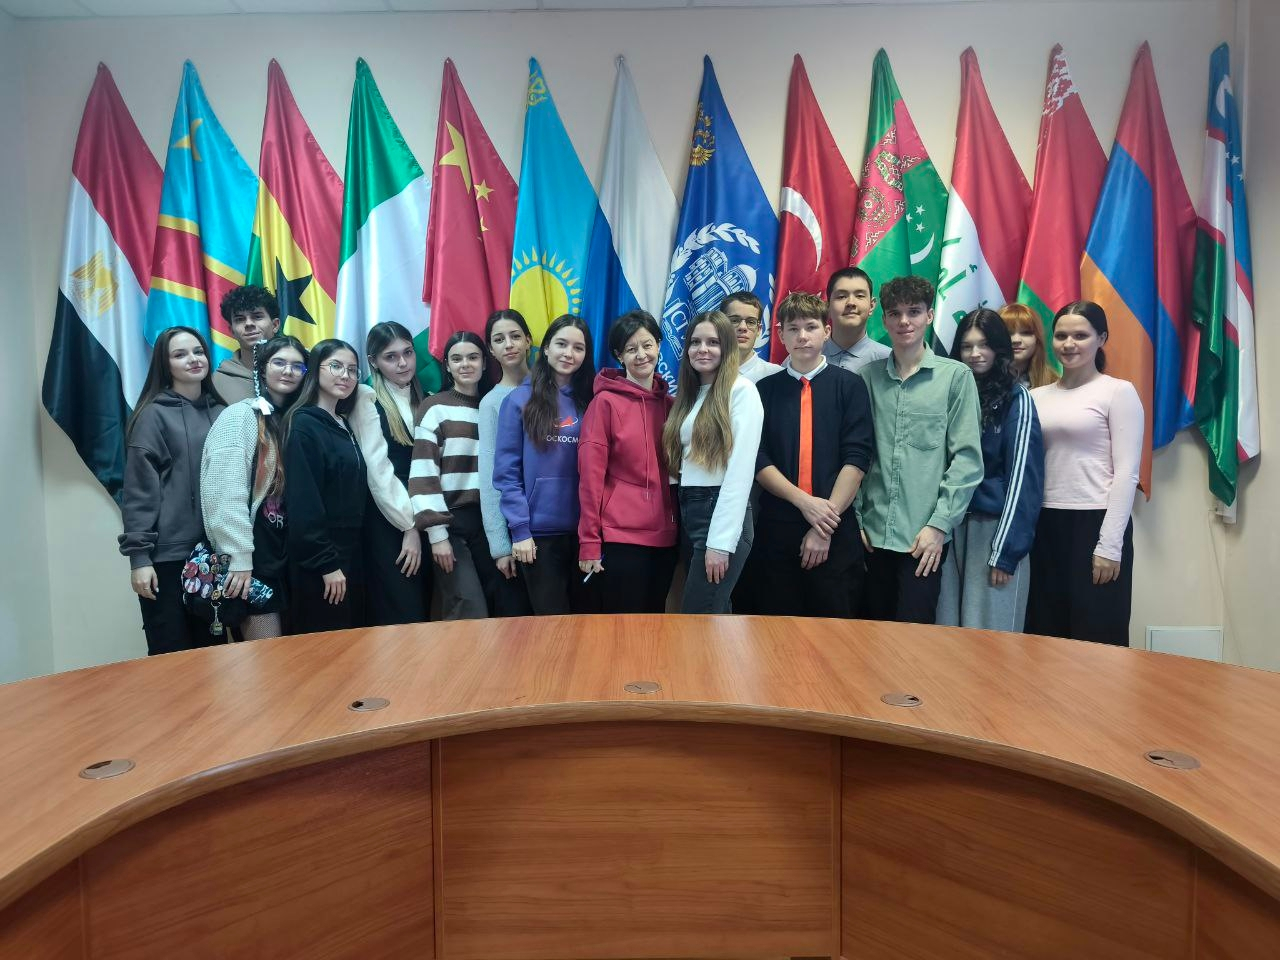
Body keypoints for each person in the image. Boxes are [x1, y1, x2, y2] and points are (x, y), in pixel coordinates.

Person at [857, 275, 983, 624]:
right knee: (868, 636)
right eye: (894, 313)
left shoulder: (956, 377)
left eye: (913, 311)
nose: (904, 321)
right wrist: (856, 519)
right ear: (884, 320)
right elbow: (858, 455)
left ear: (929, 316)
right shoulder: (866, 378)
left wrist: (939, 526)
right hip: (871, 535)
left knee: (914, 640)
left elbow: (967, 461)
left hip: (923, 537)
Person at [742, 293, 873, 618]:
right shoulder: (764, 390)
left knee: (834, 630)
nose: (802, 336)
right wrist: (805, 503)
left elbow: (857, 459)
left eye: (811, 327)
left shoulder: (850, 386)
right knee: (775, 629)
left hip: (835, 526)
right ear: (780, 335)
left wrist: (823, 526)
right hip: (778, 527)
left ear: (826, 331)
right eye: (793, 328)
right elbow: (758, 458)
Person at [1026, 301, 1143, 646]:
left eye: (1080, 335)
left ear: (1101, 338)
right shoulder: (1035, 396)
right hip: (1044, 523)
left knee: (1096, 636)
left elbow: (1127, 473)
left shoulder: (1117, 392)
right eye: (1061, 336)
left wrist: (1110, 545)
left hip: (1095, 522)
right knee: (1044, 634)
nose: (1069, 344)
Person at [119, 326, 226, 655]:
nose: (193, 359)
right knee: (171, 658)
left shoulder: (223, 413)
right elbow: (138, 493)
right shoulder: (152, 415)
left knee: (214, 655)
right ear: (165, 365)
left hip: (213, 555)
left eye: (198, 351)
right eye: (180, 355)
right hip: (166, 558)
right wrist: (139, 559)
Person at [937, 309, 1044, 631]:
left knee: (988, 640)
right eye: (966, 346)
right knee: (944, 637)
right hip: (947, 526)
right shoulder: (948, 393)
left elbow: (1024, 480)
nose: (975, 354)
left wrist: (1006, 552)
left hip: (992, 530)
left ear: (999, 348)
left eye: (983, 345)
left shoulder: (1016, 399)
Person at [411, 332, 525, 620]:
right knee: (468, 607)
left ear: (485, 363)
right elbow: (424, 474)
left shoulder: (494, 404)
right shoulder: (434, 407)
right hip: (451, 522)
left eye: (473, 357)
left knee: (507, 604)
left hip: (491, 522)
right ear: (447, 366)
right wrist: (437, 536)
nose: (465, 364)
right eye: (457, 359)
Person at [201, 335, 307, 642]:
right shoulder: (241, 416)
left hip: (289, 559)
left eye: (297, 366)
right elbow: (224, 492)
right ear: (262, 370)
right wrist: (238, 557)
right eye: (279, 362)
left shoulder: (296, 420)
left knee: (299, 658)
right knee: (265, 660)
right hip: (254, 561)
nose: (288, 371)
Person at [494, 315, 596, 615]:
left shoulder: (592, 401)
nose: (569, 353)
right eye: (561, 344)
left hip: (584, 534)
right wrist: (520, 531)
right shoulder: (518, 400)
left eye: (578, 348)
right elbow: (507, 474)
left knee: (587, 624)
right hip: (538, 537)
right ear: (546, 348)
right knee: (552, 627)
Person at [662, 310, 763, 613]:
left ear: (727, 347)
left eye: (713, 342)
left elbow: (740, 473)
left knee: (698, 618)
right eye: (695, 342)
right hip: (691, 509)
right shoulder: (690, 394)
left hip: (719, 515)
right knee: (714, 617)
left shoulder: (742, 391)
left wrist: (720, 543)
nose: (702, 349)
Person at [578, 311, 678, 613]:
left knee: (656, 623)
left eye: (647, 345)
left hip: (666, 539)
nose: (641, 355)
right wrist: (589, 541)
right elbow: (590, 479)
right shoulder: (605, 403)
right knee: (623, 628)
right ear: (619, 356)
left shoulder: (673, 406)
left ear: (659, 345)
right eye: (631, 349)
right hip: (621, 538)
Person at [283, 340, 367, 634]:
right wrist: (326, 564)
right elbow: (304, 502)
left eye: (353, 370)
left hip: (353, 552)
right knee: (326, 648)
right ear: (314, 370)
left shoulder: (344, 422)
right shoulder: (303, 424)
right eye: (336, 366)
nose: (345, 375)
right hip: (321, 561)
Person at [348, 322, 427, 626]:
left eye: (408, 353)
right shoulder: (367, 399)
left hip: (426, 515)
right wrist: (409, 526)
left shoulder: (428, 397)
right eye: (391, 357)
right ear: (373, 362)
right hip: (390, 520)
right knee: (404, 611)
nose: (403, 363)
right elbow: (378, 471)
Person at [478, 310, 533, 597]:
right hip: (516, 529)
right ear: (491, 349)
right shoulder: (491, 403)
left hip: (558, 524)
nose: (509, 345)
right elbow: (490, 477)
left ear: (528, 340)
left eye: (515, 336)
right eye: (499, 339)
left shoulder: (553, 390)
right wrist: (500, 546)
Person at [213, 285, 281, 403]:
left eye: (257, 317)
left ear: (275, 325)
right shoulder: (217, 383)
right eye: (240, 319)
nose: (248, 324)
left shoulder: (297, 371)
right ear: (232, 331)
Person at [822, 267, 891, 373]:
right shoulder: (806, 357)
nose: (851, 303)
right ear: (828, 307)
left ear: (871, 306)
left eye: (859, 296)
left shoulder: (890, 361)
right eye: (841, 296)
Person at [719, 292, 782, 383]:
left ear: (759, 329)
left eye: (751, 322)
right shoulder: (704, 373)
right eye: (734, 320)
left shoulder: (777, 376)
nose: (743, 327)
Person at [999, 302, 1059, 388]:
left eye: (1026, 333)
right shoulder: (981, 383)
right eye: (1008, 333)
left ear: (1037, 339)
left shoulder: (1055, 384)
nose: (1016, 340)